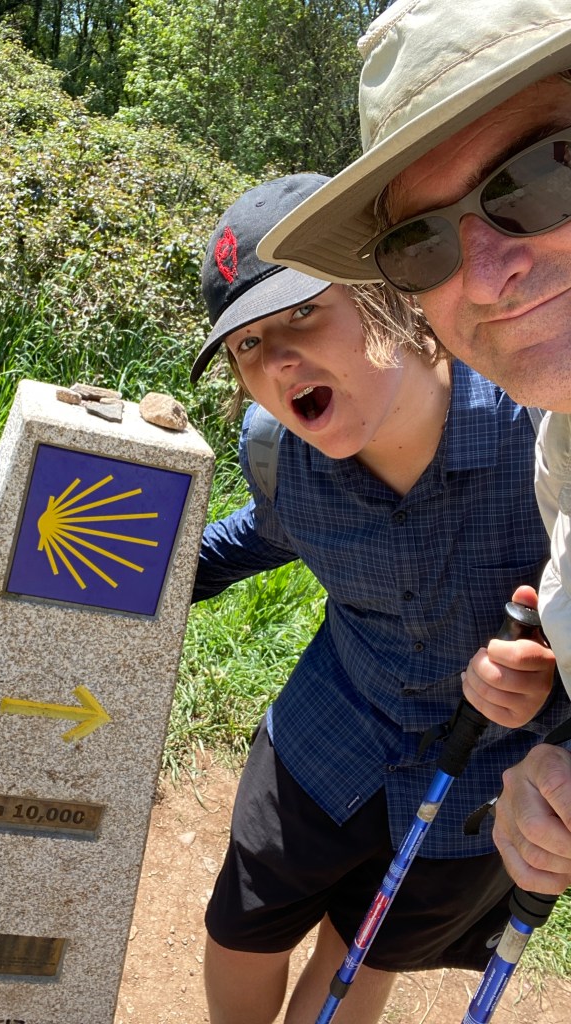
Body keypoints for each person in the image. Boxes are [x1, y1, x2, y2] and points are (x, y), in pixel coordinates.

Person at [190, 172, 567, 1024]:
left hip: (480, 781)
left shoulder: (541, 436)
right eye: (246, 344)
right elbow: (267, 534)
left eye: (302, 312)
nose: (275, 360)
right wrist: (124, 574)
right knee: (245, 922)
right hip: (328, 736)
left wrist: (548, 683)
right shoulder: (278, 450)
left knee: (363, 951)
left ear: (385, 289)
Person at [257, 0, 571, 899]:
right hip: (323, 756)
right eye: (420, 242)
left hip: (448, 826)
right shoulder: (558, 448)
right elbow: (265, 534)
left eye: (540, 174)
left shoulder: (518, 432)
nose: (486, 273)